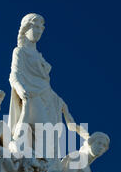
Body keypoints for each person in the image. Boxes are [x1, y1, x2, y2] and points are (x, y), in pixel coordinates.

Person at [8, 13, 89, 162]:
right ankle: (39, 165)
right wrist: (20, 88)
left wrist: (59, 100)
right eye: (35, 27)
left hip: (48, 97)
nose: (38, 31)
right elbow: (14, 75)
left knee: (51, 134)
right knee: (43, 132)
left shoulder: (39, 55)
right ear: (26, 29)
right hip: (33, 95)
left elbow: (45, 83)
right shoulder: (20, 52)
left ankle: (46, 167)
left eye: (41, 28)